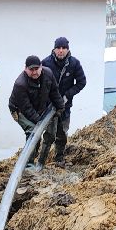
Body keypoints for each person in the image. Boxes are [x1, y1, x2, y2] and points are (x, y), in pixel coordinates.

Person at [8, 55, 66, 169]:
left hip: (39, 106)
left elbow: (54, 92)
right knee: (33, 132)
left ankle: (41, 162)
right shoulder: (20, 84)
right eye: (31, 69)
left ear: (41, 67)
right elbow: (27, 109)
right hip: (19, 110)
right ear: (25, 69)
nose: (34, 72)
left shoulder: (48, 73)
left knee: (51, 134)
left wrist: (60, 107)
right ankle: (29, 164)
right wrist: (41, 123)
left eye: (36, 69)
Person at [40, 36, 87, 165]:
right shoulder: (45, 63)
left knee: (62, 134)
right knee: (49, 135)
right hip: (49, 106)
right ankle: (42, 161)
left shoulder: (74, 63)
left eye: (64, 48)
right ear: (54, 49)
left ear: (67, 49)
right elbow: (39, 83)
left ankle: (59, 159)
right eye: (58, 48)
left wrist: (68, 95)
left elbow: (82, 82)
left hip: (65, 106)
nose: (61, 51)